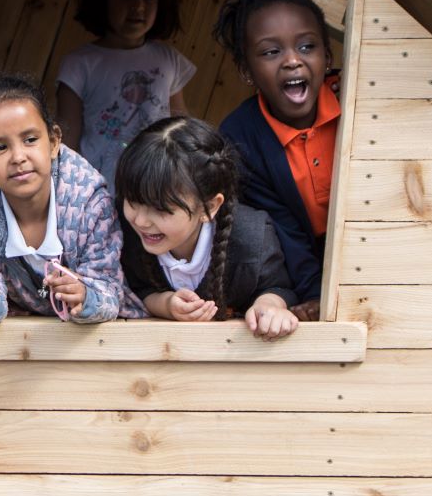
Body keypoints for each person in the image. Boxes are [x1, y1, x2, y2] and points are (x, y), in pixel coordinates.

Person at [0, 75, 140, 325]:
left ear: (53, 142)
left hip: (97, 341)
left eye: (30, 140)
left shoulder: (90, 203)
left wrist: (86, 295)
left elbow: (109, 289)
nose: (18, 157)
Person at [213, 0, 339, 319]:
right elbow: (283, 231)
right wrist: (316, 298)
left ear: (328, 57)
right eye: (271, 52)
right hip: (297, 264)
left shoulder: (355, 100)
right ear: (246, 71)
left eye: (307, 46)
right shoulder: (241, 136)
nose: (293, 60)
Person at [114, 116, 299, 339]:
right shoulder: (122, 232)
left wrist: (269, 306)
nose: (141, 220)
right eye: (133, 201)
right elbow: (137, 288)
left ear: (209, 207)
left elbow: (278, 288)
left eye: (161, 209)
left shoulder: (252, 239)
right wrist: (165, 304)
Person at [56, 0, 195, 187]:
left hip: (153, 186)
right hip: (97, 190)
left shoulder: (167, 59)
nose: (138, 6)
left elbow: (180, 126)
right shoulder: (79, 64)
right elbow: (67, 141)